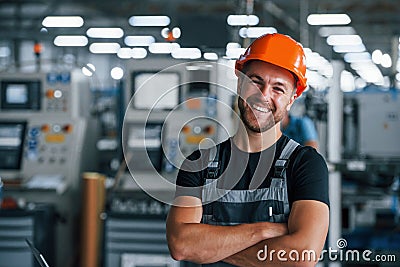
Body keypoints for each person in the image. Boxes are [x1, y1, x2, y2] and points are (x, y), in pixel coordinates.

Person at [166, 33, 329, 266]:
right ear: (240, 83)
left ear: (292, 99)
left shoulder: (305, 164)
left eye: (278, 89)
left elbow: (302, 255)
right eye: (256, 81)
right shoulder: (199, 162)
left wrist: (211, 248)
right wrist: (263, 231)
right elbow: (181, 245)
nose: (264, 95)